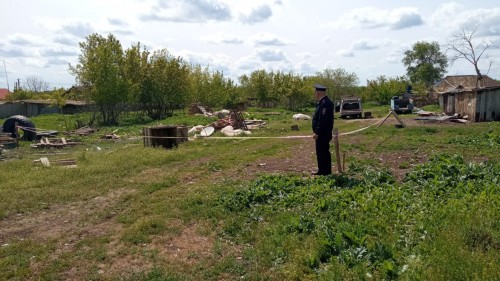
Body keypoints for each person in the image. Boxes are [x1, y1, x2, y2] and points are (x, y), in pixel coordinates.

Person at [311, 83, 334, 175]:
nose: (314, 94)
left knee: (323, 152)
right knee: (320, 152)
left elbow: (323, 120)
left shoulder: (325, 104)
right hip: (322, 133)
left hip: (323, 133)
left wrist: (317, 132)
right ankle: (321, 170)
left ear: (318, 92)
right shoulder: (322, 102)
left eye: (315, 92)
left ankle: (326, 172)